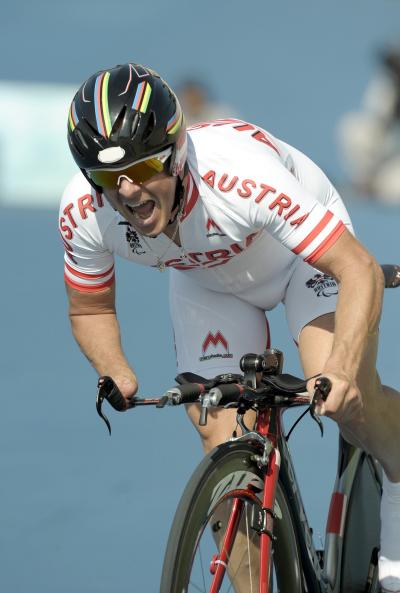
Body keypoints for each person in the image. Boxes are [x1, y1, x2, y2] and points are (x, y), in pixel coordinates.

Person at [61, 63, 400, 592]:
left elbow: (357, 269)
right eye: (107, 178)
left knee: (345, 401)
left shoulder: (239, 181)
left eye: (144, 169)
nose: (127, 193)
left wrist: (340, 369)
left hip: (298, 262)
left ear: (174, 155)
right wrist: (115, 370)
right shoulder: (85, 211)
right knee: (218, 433)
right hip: (206, 281)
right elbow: (90, 309)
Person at [337, 44, 400, 203]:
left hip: (386, 167)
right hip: (381, 158)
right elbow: (377, 121)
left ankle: (365, 184)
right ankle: (365, 182)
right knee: (354, 128)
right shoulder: (386, 88)